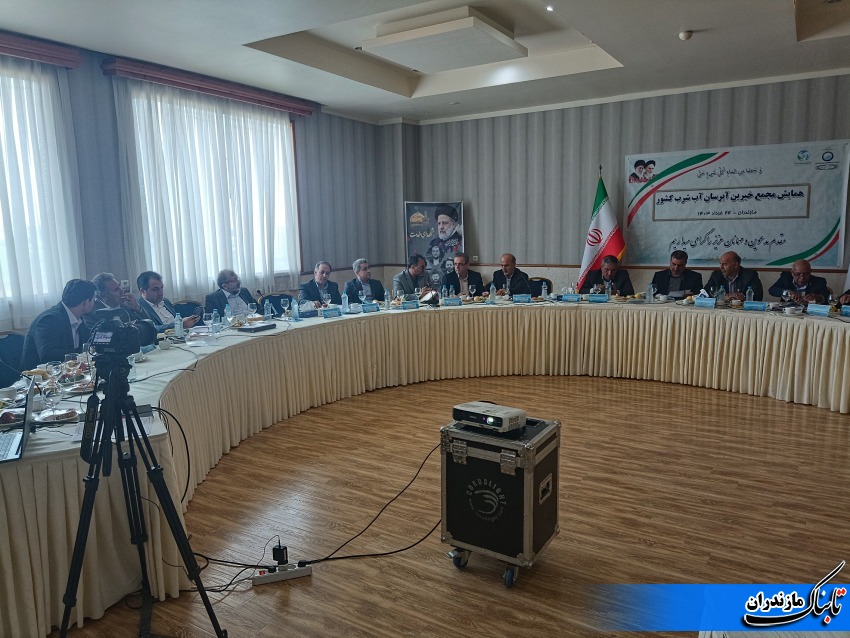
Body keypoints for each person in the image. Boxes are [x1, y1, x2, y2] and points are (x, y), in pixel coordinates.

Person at [20, 279, 96, 370]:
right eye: (93, 300)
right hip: (41, 376)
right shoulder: (48, 320)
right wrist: (85, 351)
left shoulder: (79, 318)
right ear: (85, 303)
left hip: (68, 372)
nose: (94, 303)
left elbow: (89, 341)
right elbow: (48, 356)